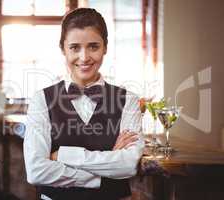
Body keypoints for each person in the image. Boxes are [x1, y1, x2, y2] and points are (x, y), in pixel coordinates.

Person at [24, 8, 144, 200]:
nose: (84, 57)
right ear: (63, 49)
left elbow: (128, 165)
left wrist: (63, 155)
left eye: (93, 46)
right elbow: (36, 171)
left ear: (105, 47)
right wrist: (102, 173)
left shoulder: (128, 100)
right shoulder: (41, 99)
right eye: (74, 47)